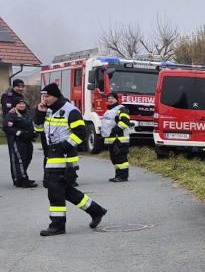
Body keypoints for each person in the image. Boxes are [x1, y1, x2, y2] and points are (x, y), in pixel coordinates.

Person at [36, 83, 106, 235]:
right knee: (63, 190)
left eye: (47, 96)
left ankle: (57, 226)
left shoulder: (71, 111)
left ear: (56, 96)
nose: (44, 99)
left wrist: (63, 146)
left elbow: (81, 134)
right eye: (43, 96)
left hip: (64, 157)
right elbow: (38, 129)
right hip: (52, 156)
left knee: (55, 191)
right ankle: (96, 210)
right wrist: (39, 114)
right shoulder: (49, 110)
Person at [4, 97, 38, 187]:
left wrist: (34, 133)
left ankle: (20, 177)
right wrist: (19, 133)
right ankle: (23, 180)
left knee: (28, 158)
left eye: (23, 103)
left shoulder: (28, 113)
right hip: (18, 141)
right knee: (20, 161)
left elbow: (33, 124)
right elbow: (7, 127)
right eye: (19, 104)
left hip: (28, 140)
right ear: (15, 105)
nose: (22, 105)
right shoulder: (12, 114)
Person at [100, 92, 132, 182]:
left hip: (120, 139)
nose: (110, 100)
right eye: (109, 98)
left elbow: (125, 122)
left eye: (112, 98)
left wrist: (115, 130)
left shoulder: (121, 109)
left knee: (121, 159)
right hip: (112, 140)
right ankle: (118, 175)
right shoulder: (108, 111)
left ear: (116, 99)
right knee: (114, 158)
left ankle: (123, 176)